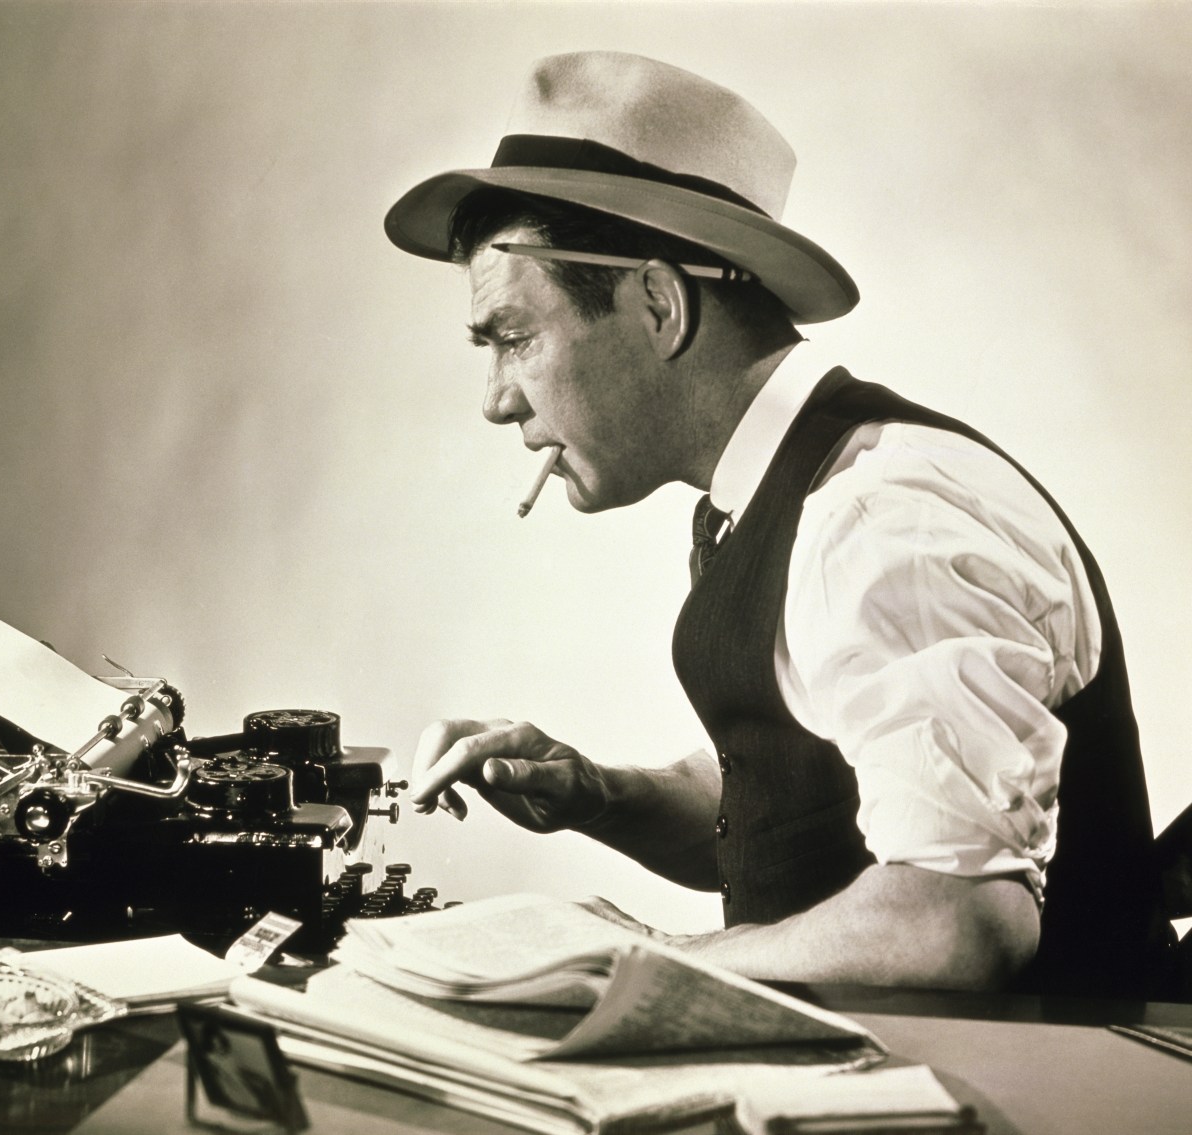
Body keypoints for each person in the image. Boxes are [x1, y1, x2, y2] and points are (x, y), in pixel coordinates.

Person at [385, 51, 1172, 997]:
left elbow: (958, 917)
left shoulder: (879, 512)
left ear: (659, 303)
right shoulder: (773, 494)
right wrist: (597, 792)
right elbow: (814, 811)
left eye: (514, 336)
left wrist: (650, 966)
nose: (497, 400)